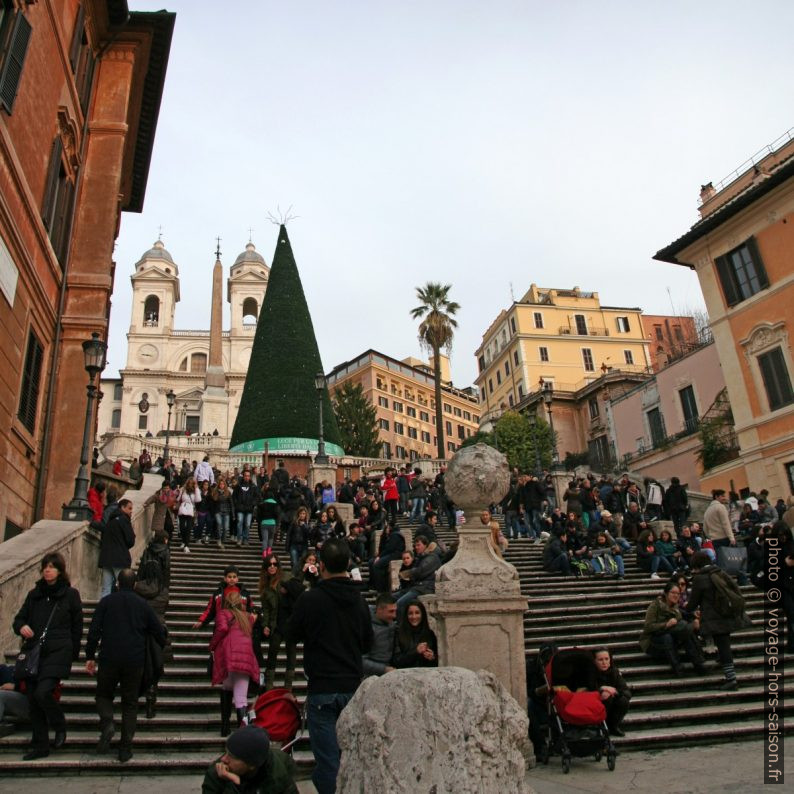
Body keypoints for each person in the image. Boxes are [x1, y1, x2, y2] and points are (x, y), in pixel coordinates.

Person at [286, 538, 373, 794]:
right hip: (351, 686)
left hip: (322, 687)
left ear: (321, 566)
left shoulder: (310, 599)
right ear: (348, 564)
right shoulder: (359, 602)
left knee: (327, 762)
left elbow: (291, 634)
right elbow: (367, 643)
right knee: (352, 758)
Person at [85, 568, 165, 762]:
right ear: (136, 584)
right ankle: (125, 749)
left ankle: (108, 723)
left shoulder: (106, 602)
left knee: (103, 695)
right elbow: (159, 631)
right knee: (130, 704)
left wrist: (90, 656)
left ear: (118, 584)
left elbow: (94, 629)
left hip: (109, 657)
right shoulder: (143, 605)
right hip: (134, 660)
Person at [12, 554, 83, 759]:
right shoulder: (34, 594)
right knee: (34, 699)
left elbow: (77, 626)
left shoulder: (71, 595)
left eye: (52, 567)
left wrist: (74, 651)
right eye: (45, 567)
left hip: (59, 652)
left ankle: (59, 725)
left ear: (60, 570)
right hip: (35, 652)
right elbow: (19, 619)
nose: (47, 570)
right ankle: (41, 745)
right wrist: (22, 627)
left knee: (43, 693)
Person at [688, 551, 745, 690]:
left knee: (724, 646)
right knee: (724, 643)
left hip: (714, 617)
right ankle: (722, 660)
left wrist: (685, 608)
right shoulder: (720, 572)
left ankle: (731, 679)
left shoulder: (700, 578)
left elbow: (693, 602)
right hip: (726, 613)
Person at [210, 590, 260, 731]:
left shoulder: (223, 613)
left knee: (226, 688)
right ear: (241, 602)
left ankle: (225, 727)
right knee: (241, 696)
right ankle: (242, 731)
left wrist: (212, 645)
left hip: (229, 656)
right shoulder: (248, 617)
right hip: (245, 657)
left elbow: (222, 628)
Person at [134, 530, 172, 718]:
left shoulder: (137, 592)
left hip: (139, 635)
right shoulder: (162, 594)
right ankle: (151, 699)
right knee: (155, 665)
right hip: (157, 633)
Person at [202, 724, 298, 794]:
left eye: (232, 756)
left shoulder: (277, 773)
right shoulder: (216, 773)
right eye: (226, 752)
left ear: (252, 765)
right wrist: (234, 784)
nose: (223, 759)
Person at [639, 580, 705, 676]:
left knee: (684, 630)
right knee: (670, 635)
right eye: (673, 593)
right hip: (653, 642)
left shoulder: (676, 607)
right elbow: (648, 627)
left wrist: (694, 617)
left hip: (671, 640)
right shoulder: (655, 606)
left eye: (678, 593)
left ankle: (698, 665)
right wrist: (666, 625)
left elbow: (685, 615)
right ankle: (678, 669)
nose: (676, 596)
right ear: (666, 593)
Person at [258, 555, 304, 692]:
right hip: (276, 622)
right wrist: (265, 624)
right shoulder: (265, 586)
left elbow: (299, 589)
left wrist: (288, 588)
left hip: (290, 620)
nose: (272, 567)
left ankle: (288, 686)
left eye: (275, 564)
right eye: (269, 565)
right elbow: (265, 608)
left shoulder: (286, 577)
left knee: (291, 652)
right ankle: (269, 684)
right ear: (266, 567)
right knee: (273, 650)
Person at [395, 534, 443, 616]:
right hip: (417, 587)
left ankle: (401, 626)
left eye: (418, 545)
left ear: (425, 545)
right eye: (415, 545)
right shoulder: (422, 557)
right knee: (392, 598)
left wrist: (408, 573)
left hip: (425, 588)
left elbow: (420, 571)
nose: (416, 547)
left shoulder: (432, 557)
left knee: (400, 603)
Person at [98, 498, 135, 597]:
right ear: (122, 507)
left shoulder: (111, 520)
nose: (131, 511)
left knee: (106, 588)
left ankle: (104, 609)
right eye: (129, 508)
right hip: (119, 559)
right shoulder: (124, 520)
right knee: (123, 586)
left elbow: (103, 530)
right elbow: (130, 541)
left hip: (106, 559)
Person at [593, 647, 631, 737]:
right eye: (600, 660)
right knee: (606, 697)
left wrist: (613, 692)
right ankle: (600, 727)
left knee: (623, 700)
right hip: (595, 704)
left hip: (612, 701)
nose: (604, 662)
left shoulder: (614, 672)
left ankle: (613, 726)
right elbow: (587, 690)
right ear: (594, 661)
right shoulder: (590, 673)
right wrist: (601, 689)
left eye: (606, 659)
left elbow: (627, 692)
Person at [394, 600, 438, 668]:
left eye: (417, 613)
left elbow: (436, 662)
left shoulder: (430, 634)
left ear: (422, 614)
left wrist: (432, 658)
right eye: (410, 613)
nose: (414, 617)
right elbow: (396, 661)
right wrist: (416, 651)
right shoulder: (398, 633)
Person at [362, 593, 397, 676]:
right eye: (391, 611)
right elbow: (361, 661)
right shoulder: (367, 628)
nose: (394, 615)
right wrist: (384, 669)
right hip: (371, 676)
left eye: (395, 611)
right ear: (379, 610)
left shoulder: (392, 625)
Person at [368, 521, 406, 592]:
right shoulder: (389, 535)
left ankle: (380, 589)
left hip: (395, 555)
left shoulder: (395, 535)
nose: (386, 529)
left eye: (387, 527)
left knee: (377, 564)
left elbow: (389, 549)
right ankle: (372, 585)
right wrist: (383, 537)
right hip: (389, 554)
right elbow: (382, 548)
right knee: (370, 562)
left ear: (391, 528)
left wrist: (379, 557)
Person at [703, 489, 736, 553]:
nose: (724, 498)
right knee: (730, 560)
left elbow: (705, 528)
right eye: (722, 496)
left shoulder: (707, 511)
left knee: (721, 560)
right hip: (724, 539)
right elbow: (726, 524)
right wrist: (731, 538)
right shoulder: (721, 507)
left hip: (714, 540)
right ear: (716, 497)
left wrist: (710, 537)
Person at [233, 470, 260, 546]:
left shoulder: (253, 486)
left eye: (248, 476)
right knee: (240, 523)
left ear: (250, 477)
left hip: (249, 509)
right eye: (245, 475)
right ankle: (239, 539)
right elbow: (234, 497)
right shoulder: (238, 486)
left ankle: (245, 539)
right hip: (240, 508)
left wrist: (253, 504)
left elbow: (257, 497)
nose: (247, 477)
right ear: (243, 476)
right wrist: (237, 505)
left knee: (248, 524)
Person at [178, 477, 201, 553]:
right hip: (182, 509)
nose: (191, 484)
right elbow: (178, 499)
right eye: (189, 483)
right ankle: (184, 541)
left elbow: (198, 500)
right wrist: (178, 491)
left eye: (192, 483)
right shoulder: (183, 490)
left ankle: (186, 545)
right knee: (181, 527)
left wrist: (197, 488)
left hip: (190, 510)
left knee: (188, 528)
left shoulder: (195, 491)